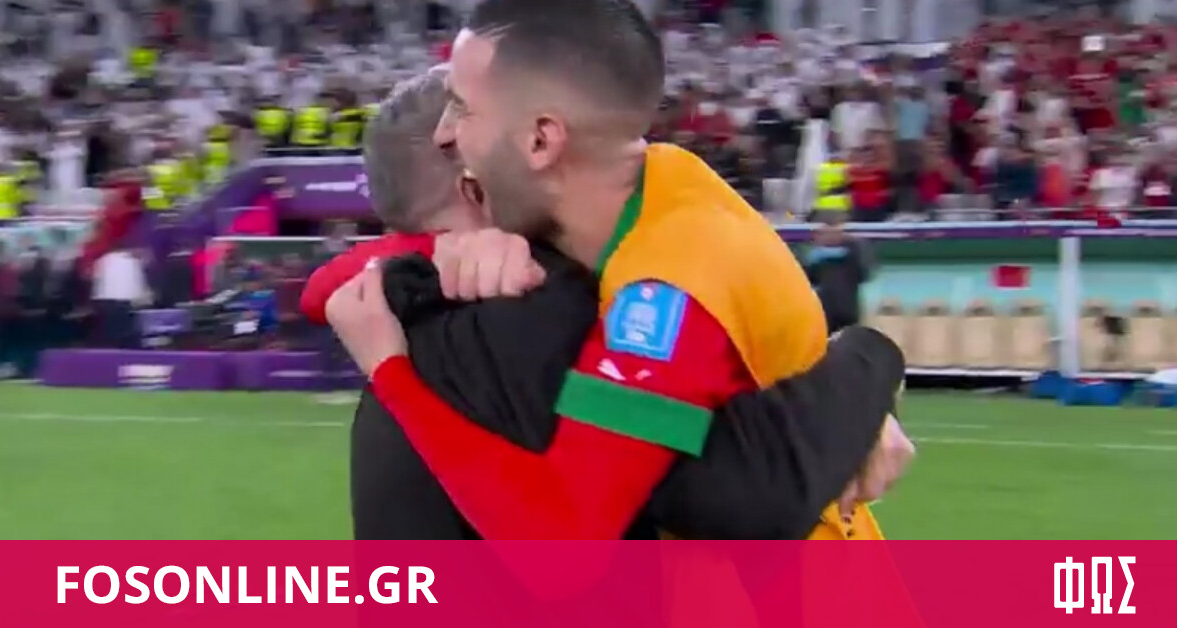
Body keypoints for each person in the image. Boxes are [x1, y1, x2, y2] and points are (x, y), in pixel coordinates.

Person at [326, 0, 901, 541]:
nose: (445, 133)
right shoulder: (652, 186)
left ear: (540, 140)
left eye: (461, 108)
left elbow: (562, 545)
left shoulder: (668, 286)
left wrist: (391, 369)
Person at [803, 215, 872, 334]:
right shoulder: (816, 257)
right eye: (826, 233)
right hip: (826, 311)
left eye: (834, 232)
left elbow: (864, 273)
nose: (830, 236)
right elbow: (808, 280)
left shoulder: (853, 252)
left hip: (847, 311)